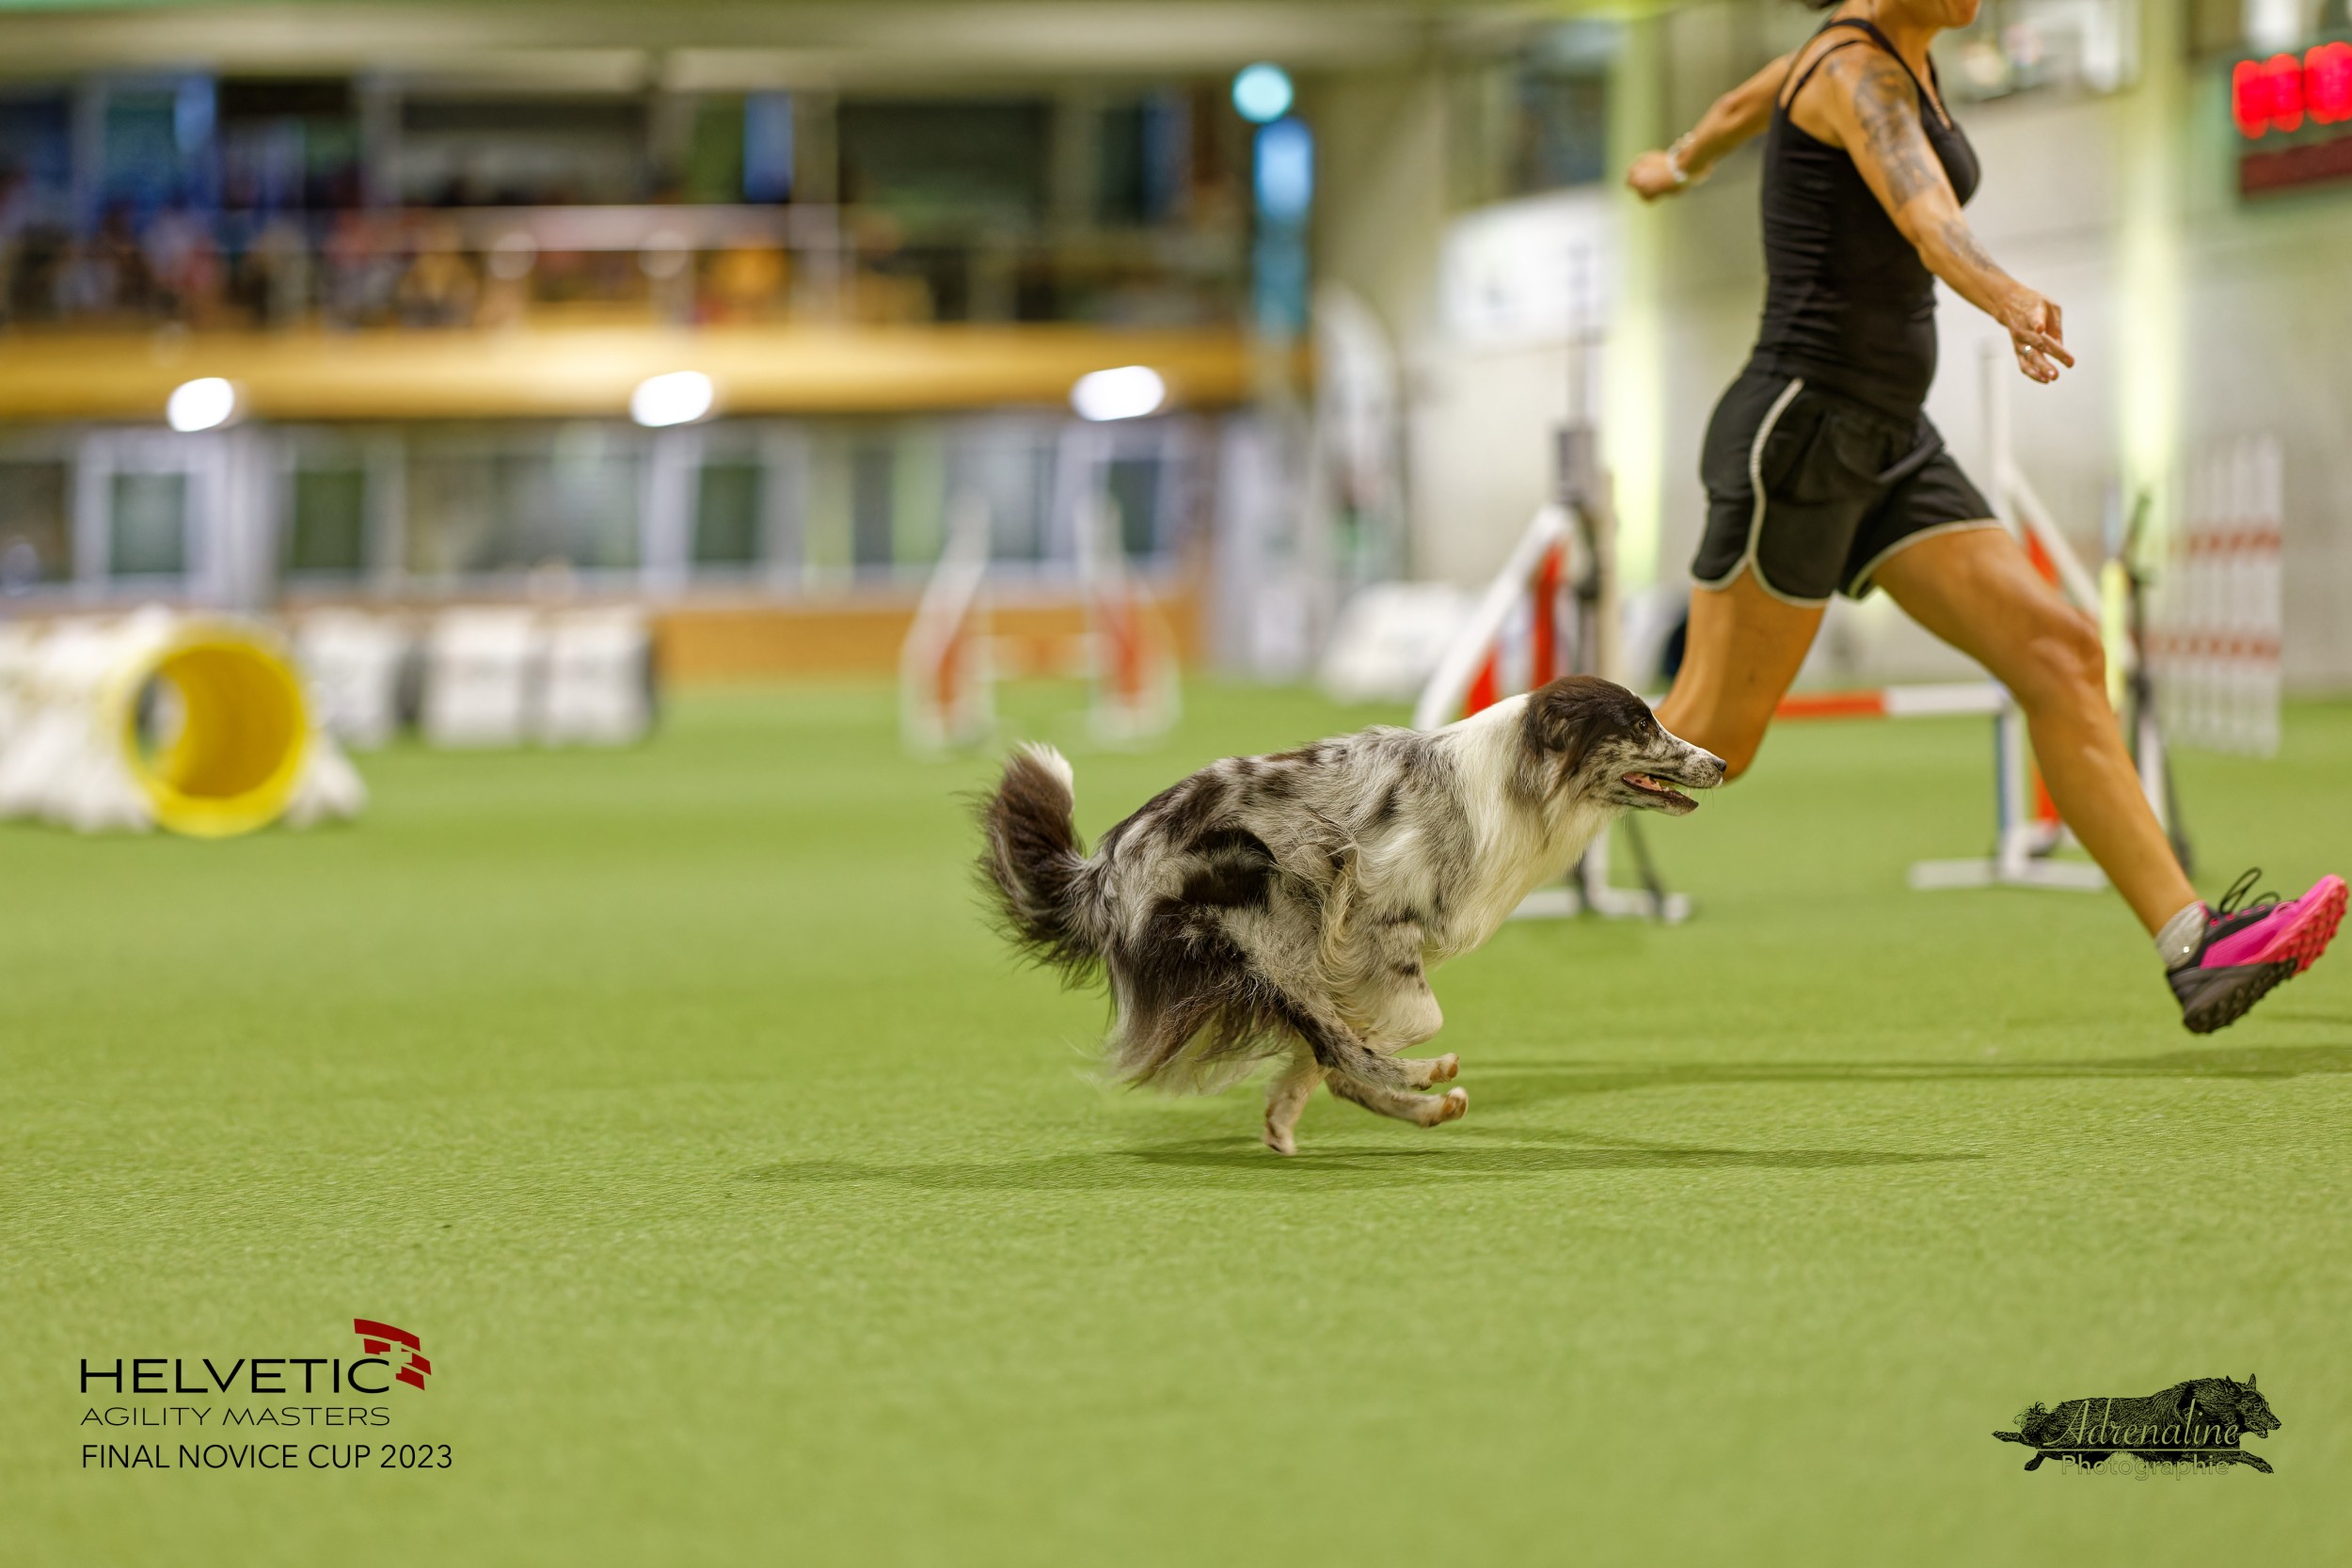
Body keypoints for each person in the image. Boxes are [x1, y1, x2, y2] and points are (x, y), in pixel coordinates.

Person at [1625, 0, 2342, 1031]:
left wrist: (1680, 160)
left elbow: (1751, 97)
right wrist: (2005, 297)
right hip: (1803, 432)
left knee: (2060, 650)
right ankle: (1444, 807)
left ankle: (2196, 944)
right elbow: (1928, 221)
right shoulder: (1859, 74)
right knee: (1704, 740)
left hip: (1889, 439)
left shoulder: (1883, 57)